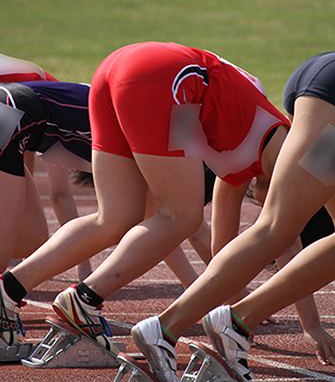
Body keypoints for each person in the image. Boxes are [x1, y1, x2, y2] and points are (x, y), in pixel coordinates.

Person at [0, 41, 294, 351]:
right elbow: (281, 232)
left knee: (115, 219)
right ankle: (83, 300)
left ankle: (9, 288)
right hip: (165, 79)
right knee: (182, 216)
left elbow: (225, 247)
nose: (259, 200)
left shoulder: (241, 163)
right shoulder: (280, 153)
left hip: (121, 70)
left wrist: (239, 301)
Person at [128, 51, 335, 381]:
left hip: (310, 80)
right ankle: (167, 328)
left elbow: (221, 248)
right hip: (321, 87)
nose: (260, 201)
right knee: (275, 226)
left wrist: (233, 303)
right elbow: (279, 242)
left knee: (275, 227)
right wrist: (310, 326)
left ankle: (223, 322)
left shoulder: (232, 172)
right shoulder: (270, 150)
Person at [0, 54, 92, 281]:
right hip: (8, 114)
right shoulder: (50, 99)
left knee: (32, 239)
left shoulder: (59, 102)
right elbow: (60, 195)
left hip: (12, 118)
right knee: (5, 252)